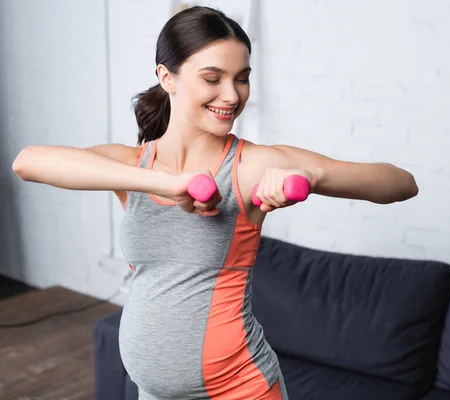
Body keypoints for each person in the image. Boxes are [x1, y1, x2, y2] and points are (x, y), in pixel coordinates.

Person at [11, 6, 418, 400]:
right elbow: (28, 162)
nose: (232, 95)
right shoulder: (133, 167)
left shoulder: (248, 165)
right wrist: (164, 183)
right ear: (167, 78)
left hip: (240, 389)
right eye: (212, 78)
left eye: (242, 79)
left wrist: (313, 176)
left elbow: (401, 184)